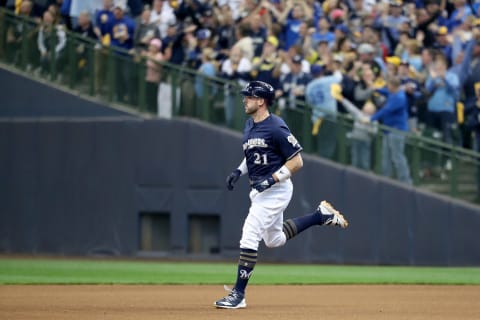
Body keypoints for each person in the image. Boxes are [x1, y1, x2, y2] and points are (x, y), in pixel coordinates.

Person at [213, 80, 348, 309]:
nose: (245, 99)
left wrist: (271, 179)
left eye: (250, 96)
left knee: (249, 234)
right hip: (260, 189)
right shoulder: (250, 124)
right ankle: (319, 216)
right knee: (274, 240)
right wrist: (239, 170)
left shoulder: (276, 126)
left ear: (262, 101)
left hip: (276, 190)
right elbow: (253, 153)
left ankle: (238, 294)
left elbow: (297, 161)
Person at [365, 76, 413, 185]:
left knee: (397, 157)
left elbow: (386, 110)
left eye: (389, 85)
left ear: (393, 86)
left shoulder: (399, 98)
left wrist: (371, 119)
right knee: (385, 156)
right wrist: (375, 88)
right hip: (388, 130)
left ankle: (406, 182)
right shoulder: (393, 92)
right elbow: (385, 91)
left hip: (397, 130)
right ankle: (384, 179)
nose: (387, 86)